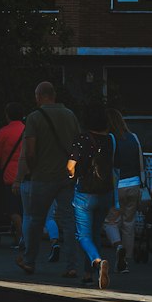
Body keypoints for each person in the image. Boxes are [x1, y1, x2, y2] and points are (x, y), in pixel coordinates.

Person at [15, 81, 78, 276]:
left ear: (40, 96)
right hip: (66, 177)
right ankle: (71, 266)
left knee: (35, 219)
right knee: (68, 220)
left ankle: (29, 261)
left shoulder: (35, 118)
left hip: (42, 176)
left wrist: (32, 171)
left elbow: (30, 151)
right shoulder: (70, 115)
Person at [66, 99, 116, 289]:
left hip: (85, 192)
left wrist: (72, 174)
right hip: (105, 192)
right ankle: (89, 274)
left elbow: (70, 166)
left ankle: (97, 261)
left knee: (83, 235)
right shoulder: (111, 139)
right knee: (96, 232)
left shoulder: (82, 138)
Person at [106, 106, 144, 272]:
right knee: (129, 222)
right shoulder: (133, 138)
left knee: (110, 221)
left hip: (117, 187)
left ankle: (118, 247)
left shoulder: (109, 139)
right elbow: (141, 162)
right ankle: (126, 258)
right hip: (134, 184)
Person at [0, 104, 26, 247]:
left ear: (7, 115)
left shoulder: (4, 131)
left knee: (12, 209)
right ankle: (23, 236)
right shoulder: (27, 130)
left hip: (10, 175)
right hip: (27, 174)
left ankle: (21, 237)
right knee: (24, 209)